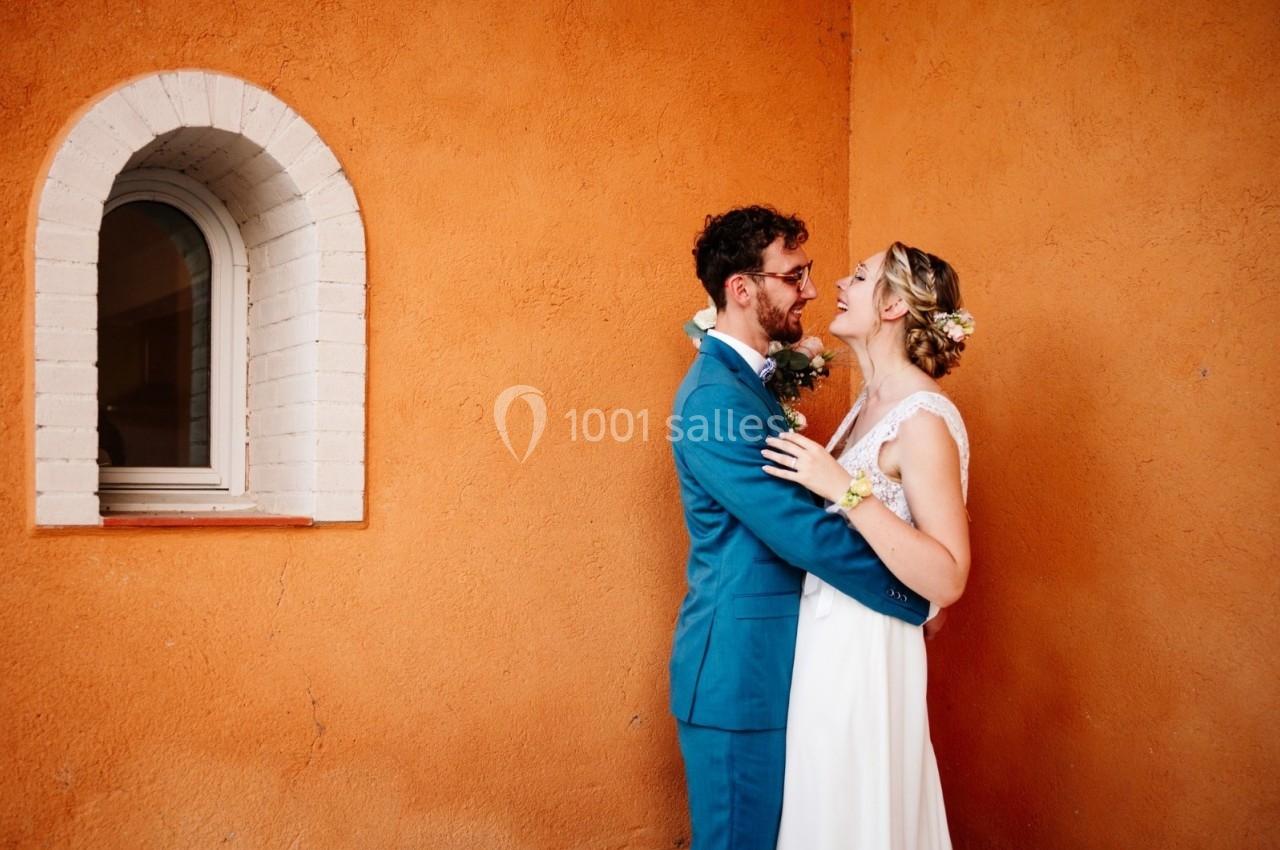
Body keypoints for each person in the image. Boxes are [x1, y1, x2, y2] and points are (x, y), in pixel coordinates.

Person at [669, 208, 930, 850]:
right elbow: (799, 529)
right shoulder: (714, 399)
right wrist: (914, 592)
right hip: (739, 676)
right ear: (741, 289)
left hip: (782, 669)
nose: (811, 290)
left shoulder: (746, 384)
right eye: (794, 275)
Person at [762, 242, 973, 850]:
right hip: (832, 637)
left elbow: (949, 574)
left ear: (894, 307)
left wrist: (845, 490)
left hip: (866, 652)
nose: (839, 282)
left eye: (859, 276)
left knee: (853, 815)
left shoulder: (922, 417)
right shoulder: (869, 404)